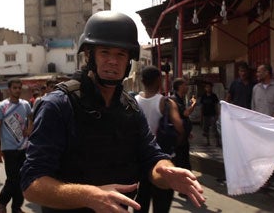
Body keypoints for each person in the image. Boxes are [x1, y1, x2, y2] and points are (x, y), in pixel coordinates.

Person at [20, 11, 205, 213]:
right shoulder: (58, 105)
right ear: (89, 55)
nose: (113, 61)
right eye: (105, 52)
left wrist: (165, 171)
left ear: (129, 61)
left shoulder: (130, 107)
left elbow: (152, 157)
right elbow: (32, 184)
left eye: (120, 54)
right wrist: (91, 196)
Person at [134, 66, 184, 213]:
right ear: (158, 81)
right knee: (162, 204)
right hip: (163, 160)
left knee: (140, 201)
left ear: (142, 81)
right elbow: (180, 128)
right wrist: (176, 146)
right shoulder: (166, 102)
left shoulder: (133, 101)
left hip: (140, 160)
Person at [0, 78, 33, 213]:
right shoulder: (1, 107)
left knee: (21, 178)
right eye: (14, 88)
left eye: (19, 88)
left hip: (24, 147)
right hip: (9, 149)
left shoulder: (26, 104)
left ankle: (16, 207)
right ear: (9, 89)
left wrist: (30, 128)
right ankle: (2, 203)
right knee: (12, 178)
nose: (17, 90)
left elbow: (31, 118)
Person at [171, 78, 196, 171]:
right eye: (185, 85)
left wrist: (187, 131)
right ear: (179, 87)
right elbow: (185, 113)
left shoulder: (181, 99)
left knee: (184, 158)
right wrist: (193, 104)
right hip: (178, 137)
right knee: (180, 159)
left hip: (183, 135)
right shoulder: (174, 99)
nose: (187, 87)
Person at [199, 81, 220, 146]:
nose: (208, 88)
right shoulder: (203, 96)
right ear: (205, 88)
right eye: (207, 87)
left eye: (209, 87)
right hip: (205, 114)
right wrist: (201, 116)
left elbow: (216, 105)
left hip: (212, 114)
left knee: (214, 128)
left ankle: (217, 142)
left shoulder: (214, 96)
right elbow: (202, 106)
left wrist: (217, 114)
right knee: (206, 128)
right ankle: (207, 142)